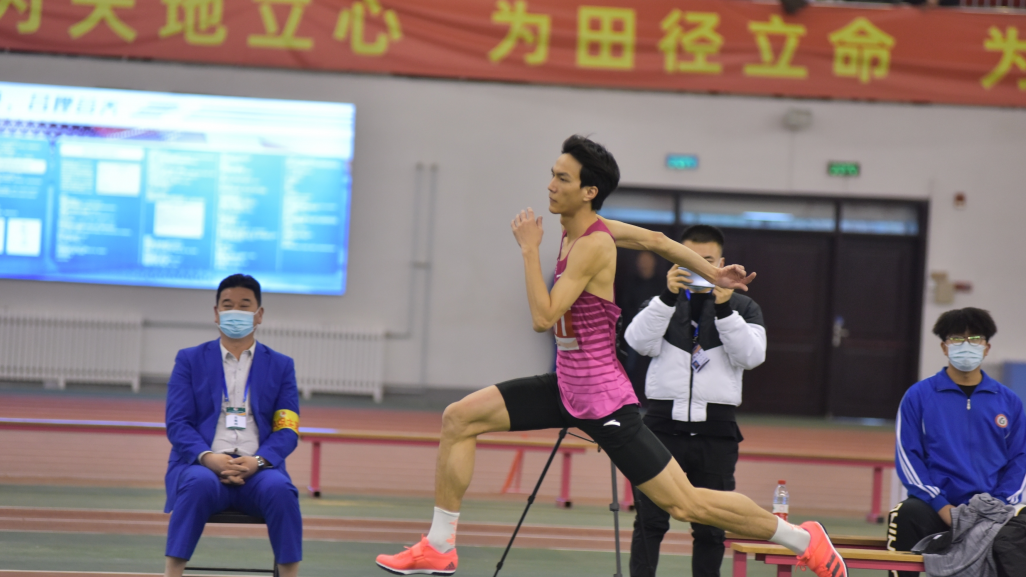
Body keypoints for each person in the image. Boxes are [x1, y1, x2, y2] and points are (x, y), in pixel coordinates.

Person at [375, 135, 847, 577]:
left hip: (603, 401)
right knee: (459, 418)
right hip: (566, 387)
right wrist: (712, 274)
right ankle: (439, 545)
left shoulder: (593, 244)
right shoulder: (581, 229)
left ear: (589, 191)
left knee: (686, 503)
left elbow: (543, 317)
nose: (550, 184)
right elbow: (657, 242)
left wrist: (529, 252)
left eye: (562, 178)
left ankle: (802, 538)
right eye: (552, 173)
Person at [625, 224, 766, 577]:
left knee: (711, 529)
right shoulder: (660, 303)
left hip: (716, 432)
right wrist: (666, 298)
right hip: (660, 429)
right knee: (649, 522)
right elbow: (638, 342)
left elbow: (752, 357)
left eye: (707, 260)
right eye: (689, 259)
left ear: (721, 261)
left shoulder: (744, 306)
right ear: (675, 260)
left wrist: (724, 309)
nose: (700, 267)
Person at [163, 274, 303, 577]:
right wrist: (208, 458)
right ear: (216, 313)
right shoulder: (189, 360)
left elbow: (287, 429)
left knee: (282, 491)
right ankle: (172, 574)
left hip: (259, 470)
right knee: (197, 484)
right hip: (203, 466)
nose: (235, 312)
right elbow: (177, 423)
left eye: (244, 305)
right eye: (227, 305)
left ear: (259, 314)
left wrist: (258, 462)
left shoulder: (281, 365)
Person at [888, 307, 1026, 577]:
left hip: (995, 508)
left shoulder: (1009, 402)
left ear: (986, 347)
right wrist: (941, 506)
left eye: (974, 339)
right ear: (944, 346)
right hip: (937, 506)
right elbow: (908, 457)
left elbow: (1020, 459)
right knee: (905, 514)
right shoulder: (918, 396)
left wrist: (998, 505)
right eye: (957, 339)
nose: (966, 345)